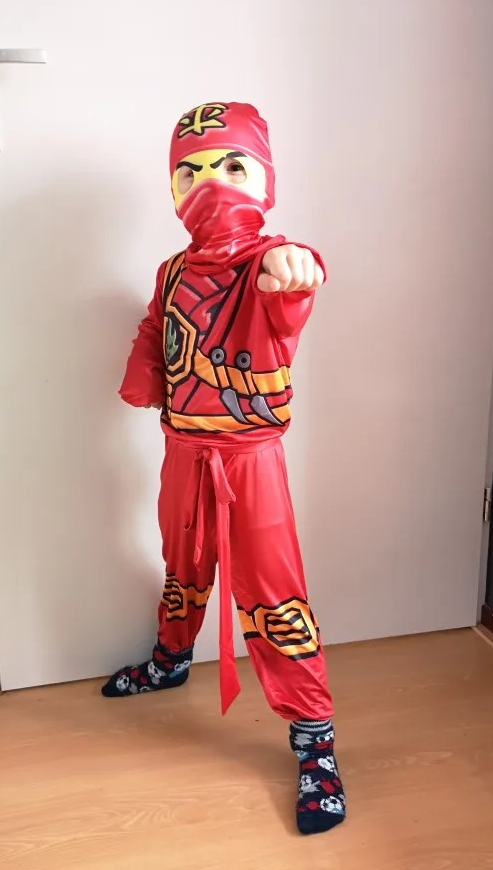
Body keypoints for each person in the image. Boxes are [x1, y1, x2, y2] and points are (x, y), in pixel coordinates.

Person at [103, 102, 345, 835]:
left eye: (233, 166)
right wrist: (144, 371)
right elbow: (158, 324)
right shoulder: (172, 270)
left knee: (273, 596)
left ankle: (314, 739)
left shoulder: (268, 261)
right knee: (184, 563)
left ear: (265, 179)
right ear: (172, 188)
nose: (211, 184)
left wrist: (294, 268)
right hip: (183, 449)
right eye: (191, 171)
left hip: (250, 463)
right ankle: (172, 658)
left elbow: (291, 280)